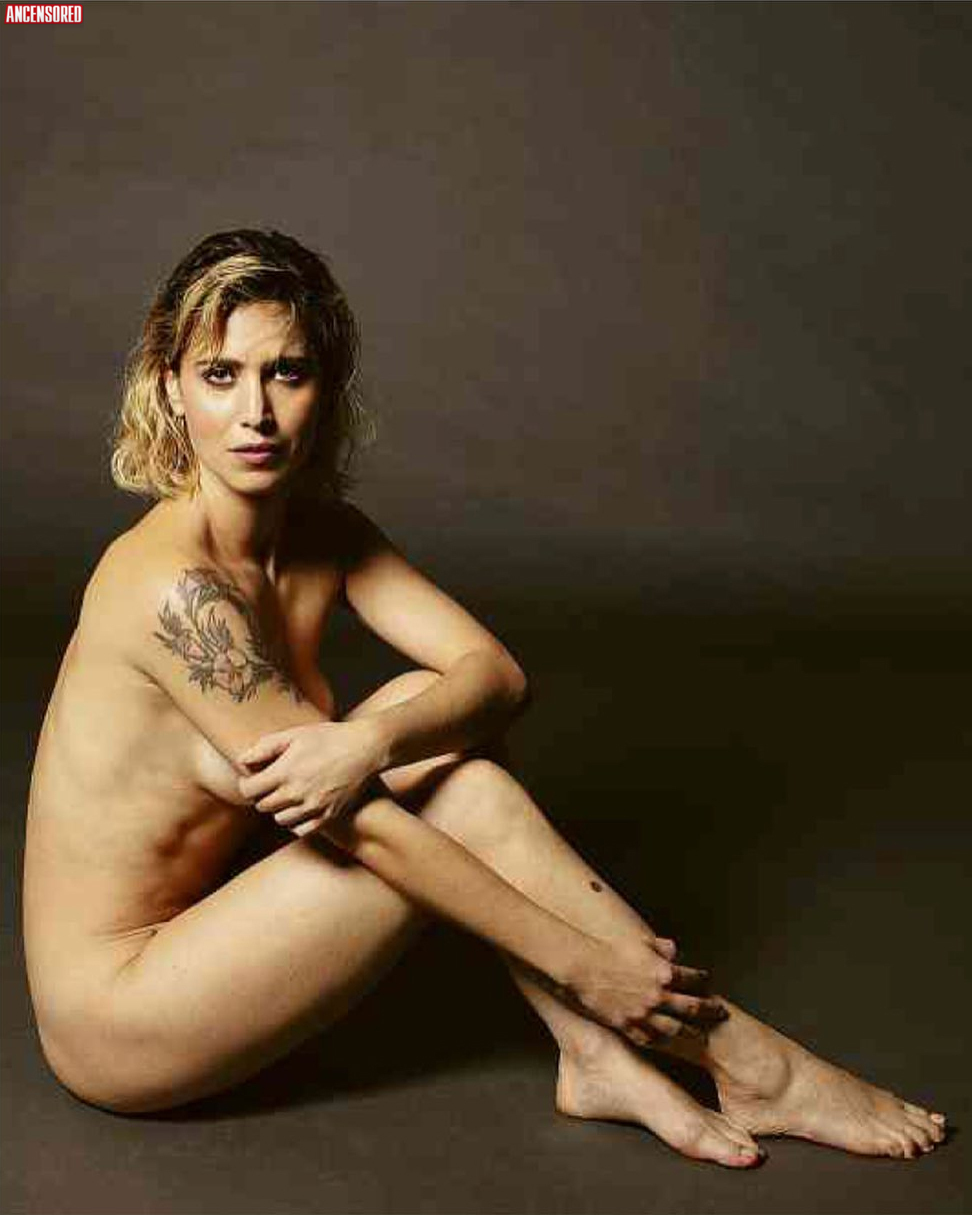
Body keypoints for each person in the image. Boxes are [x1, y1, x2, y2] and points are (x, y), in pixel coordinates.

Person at [23, 228, 946, 1167]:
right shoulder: (173, 590)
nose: (254, 412)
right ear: (170, 387)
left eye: (285, 373)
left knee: (423, 707)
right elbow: (363, 828)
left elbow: (495, 677)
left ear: (325, 388)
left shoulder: (324, 535)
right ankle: (744, 1061)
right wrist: (588, 967)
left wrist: (372, 740)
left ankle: (596, 1056)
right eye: (220, 376)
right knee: (456, 792)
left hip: (212, 931)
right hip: (121, 1015)